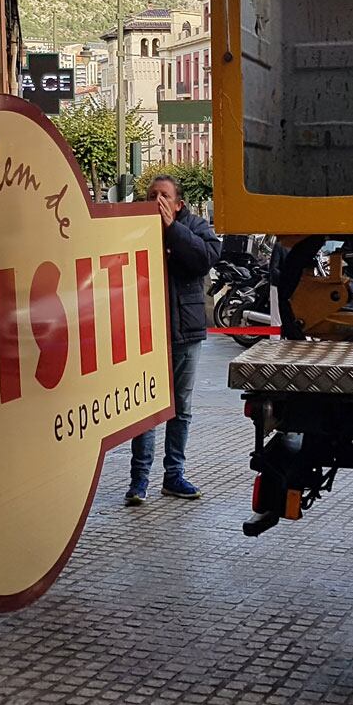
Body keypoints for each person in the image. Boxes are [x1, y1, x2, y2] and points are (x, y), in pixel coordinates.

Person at [128, 174, 221, 505]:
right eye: (152, 194)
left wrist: (173, 230)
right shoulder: (135, 227)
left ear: (178, 203)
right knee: (145, 408)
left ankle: (173, 476)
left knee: (180, 408)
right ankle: (138, 481)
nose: (157, 200)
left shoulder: (194, 226)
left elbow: (205, 258)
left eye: (164, 195)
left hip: (186, 332)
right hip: (146, 335)